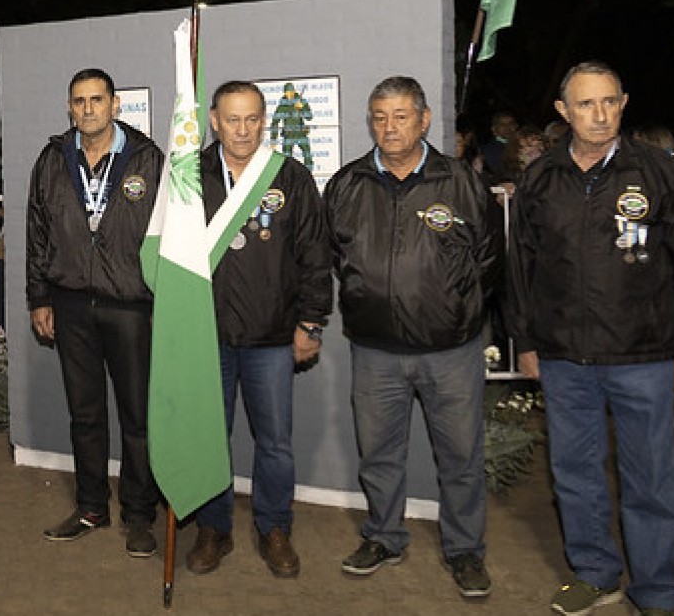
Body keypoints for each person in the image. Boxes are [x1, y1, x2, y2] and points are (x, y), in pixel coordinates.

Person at [506, 62, 674, 616]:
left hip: (643, 354)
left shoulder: (658, 172)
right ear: (562, 111)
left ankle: (656, 592)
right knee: (574, 475)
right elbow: (520, 268)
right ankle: (595, 573)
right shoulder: (541, 177)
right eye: (585, 104)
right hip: (563, 358)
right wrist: (526, 341)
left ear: (623, 103)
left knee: (649, 480)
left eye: (609, 102)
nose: (598, 115)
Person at [323, 76, 503, 598]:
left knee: (461, 457)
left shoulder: (462, 182)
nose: (389, 126)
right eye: (380, 116)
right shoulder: (347, 183)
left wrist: (453, 307)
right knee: (378, 454)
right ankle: (383, 535)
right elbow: (339, 259)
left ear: (424, 120)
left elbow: (490, 261)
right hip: (376, 351)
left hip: (451, 351)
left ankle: (465, 550)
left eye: (401, 115)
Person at [185, 81, 331, 579]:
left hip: (272, 336)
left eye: (252, 119)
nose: (243, 130)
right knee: (209, 438)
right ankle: (213, 527)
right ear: (214, 121)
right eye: (232, 119)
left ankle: (274, 527)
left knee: (275, 443)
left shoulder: (289, 175)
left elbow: (315, 255)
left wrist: (310, 321)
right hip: (208, 335)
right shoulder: (190, 175)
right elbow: (169, 253)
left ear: (263, 120)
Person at [27, 68, 163, 556]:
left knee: (137, 418)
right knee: (84, 415)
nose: (88, 109)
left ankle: (140, 513)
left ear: (115, 104)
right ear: (70, 107)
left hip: (130, 305)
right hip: (69, 304)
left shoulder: (148, 160)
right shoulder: (52, 159)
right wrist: (39, 297)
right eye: (79, 101)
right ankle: (90, 506)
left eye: (97, 100)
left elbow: (165, 239)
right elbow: (37, 231)